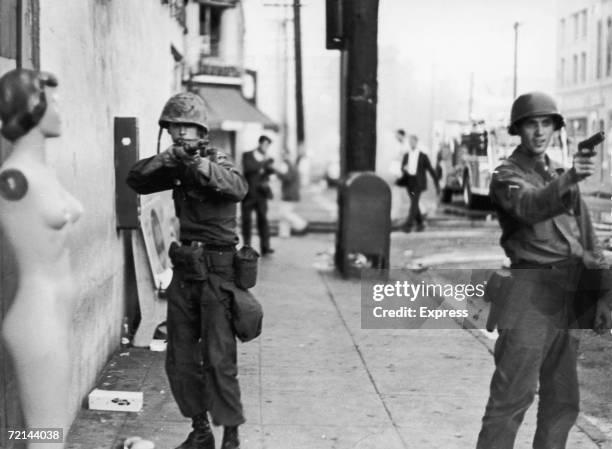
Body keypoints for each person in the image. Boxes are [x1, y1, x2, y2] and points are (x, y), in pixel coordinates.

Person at [477, 91, 612, 449]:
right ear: (518, 130)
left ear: (555, 128)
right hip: (529, 293)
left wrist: (601, 296)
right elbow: (529, 207)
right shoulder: (506, 175)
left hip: (568, 292)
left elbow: (589, 239)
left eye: (546, 123)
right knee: (511, 401)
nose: (539, 132)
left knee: (563, 403)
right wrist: (568, 179)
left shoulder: (558, 174)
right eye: (531, 124)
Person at [126, 92, 248, 449]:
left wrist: (199, 167)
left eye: (187, 127)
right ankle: (200, 431)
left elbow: (238, 187)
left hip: (218, 271)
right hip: (186, 272)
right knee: (179, 356)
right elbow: (136, 178)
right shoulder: (174, 163)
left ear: (201, 131)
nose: (180, 133)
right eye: (174, 127)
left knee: (218, 358)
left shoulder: (218, 159)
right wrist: (168, 159)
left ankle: (231, 436)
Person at [0, 69, 83, 448]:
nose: (61, 109)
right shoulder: (14, 177)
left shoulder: (42, 171)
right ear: (32, 107)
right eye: (52, 100)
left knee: (51, 432)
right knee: (45, 437)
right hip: (37, 315)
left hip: (57, 311)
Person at [241, 135, 275, 255]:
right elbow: (248, 168)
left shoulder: (269, 159)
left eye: (268, 145)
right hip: (248, 194)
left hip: (261, 195)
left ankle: (265, 247)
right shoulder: (247, 155)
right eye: (265, 144)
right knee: (246, 222)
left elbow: (270, 172)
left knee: (263, 221)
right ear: (259, 143)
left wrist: (269, 167)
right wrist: (263, 164)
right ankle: (246, 246)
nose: (266, 147)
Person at [399, 134, 439, 232]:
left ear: (416, 142)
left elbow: (430, 169)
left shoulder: (423, 156)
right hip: (409, 182)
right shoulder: (406, 155)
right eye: (410, 142)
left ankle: (408, 225)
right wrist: (404, 169)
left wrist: (436, 182)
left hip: (418, 182)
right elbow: (402, 167)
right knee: (414, 203)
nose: (411, 143)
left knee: (414, 203)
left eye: (413, 141)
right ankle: (420, 223)